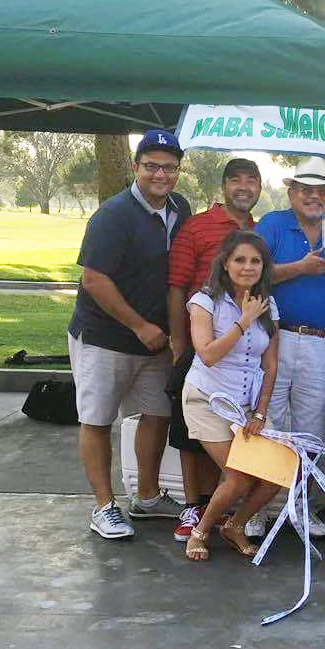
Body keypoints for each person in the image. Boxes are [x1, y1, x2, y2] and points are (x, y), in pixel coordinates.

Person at [68, 129, 191, 539]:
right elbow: (93, 279)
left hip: (156, 342)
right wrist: (139, 326)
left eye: (169, 167)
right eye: (152, 166)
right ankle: (104, 506)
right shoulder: (113, 215)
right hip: (105, 337)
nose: (161, 174)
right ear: (136, 167)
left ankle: (148, 497)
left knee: (156, 414)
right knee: (98, 419)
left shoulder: (180, 209)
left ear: (178, 171)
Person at [251, 156, 325, 539]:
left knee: (311, 430)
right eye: (307, 190)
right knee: (268, 424)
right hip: (275, 339)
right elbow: (252, 274)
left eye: (323, 191)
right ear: (292, 192)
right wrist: (301, 267)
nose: (315, 197)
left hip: (319, 342)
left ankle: (302, 507)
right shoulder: (272, 225)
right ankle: (258, 510)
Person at [167, 158, 262, 543]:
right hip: (200, 342)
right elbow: (176, 286)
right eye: (235, 180)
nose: (244, 187)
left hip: (243, 360)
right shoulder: (197, 226)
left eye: (251, 181)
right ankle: (195, 508)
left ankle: (224, 511)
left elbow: (268, 276)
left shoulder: (259, 230)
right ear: (224, 187)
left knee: (234, 448)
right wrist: (178, 343)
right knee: (191, 438)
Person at [180, 231, 282, 561]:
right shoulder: (204, 301)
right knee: (238, 477)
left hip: (246, 406)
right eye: (240, 259)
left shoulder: (269, 304)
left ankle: (235, 525)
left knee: (275, 474)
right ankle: (199, 532)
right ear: (225, 264)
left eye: (255, 261)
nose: (248, 267)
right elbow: (208, 354)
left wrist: (260, 414)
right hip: (206, 400)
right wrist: (244, 321)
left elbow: (270, 364)